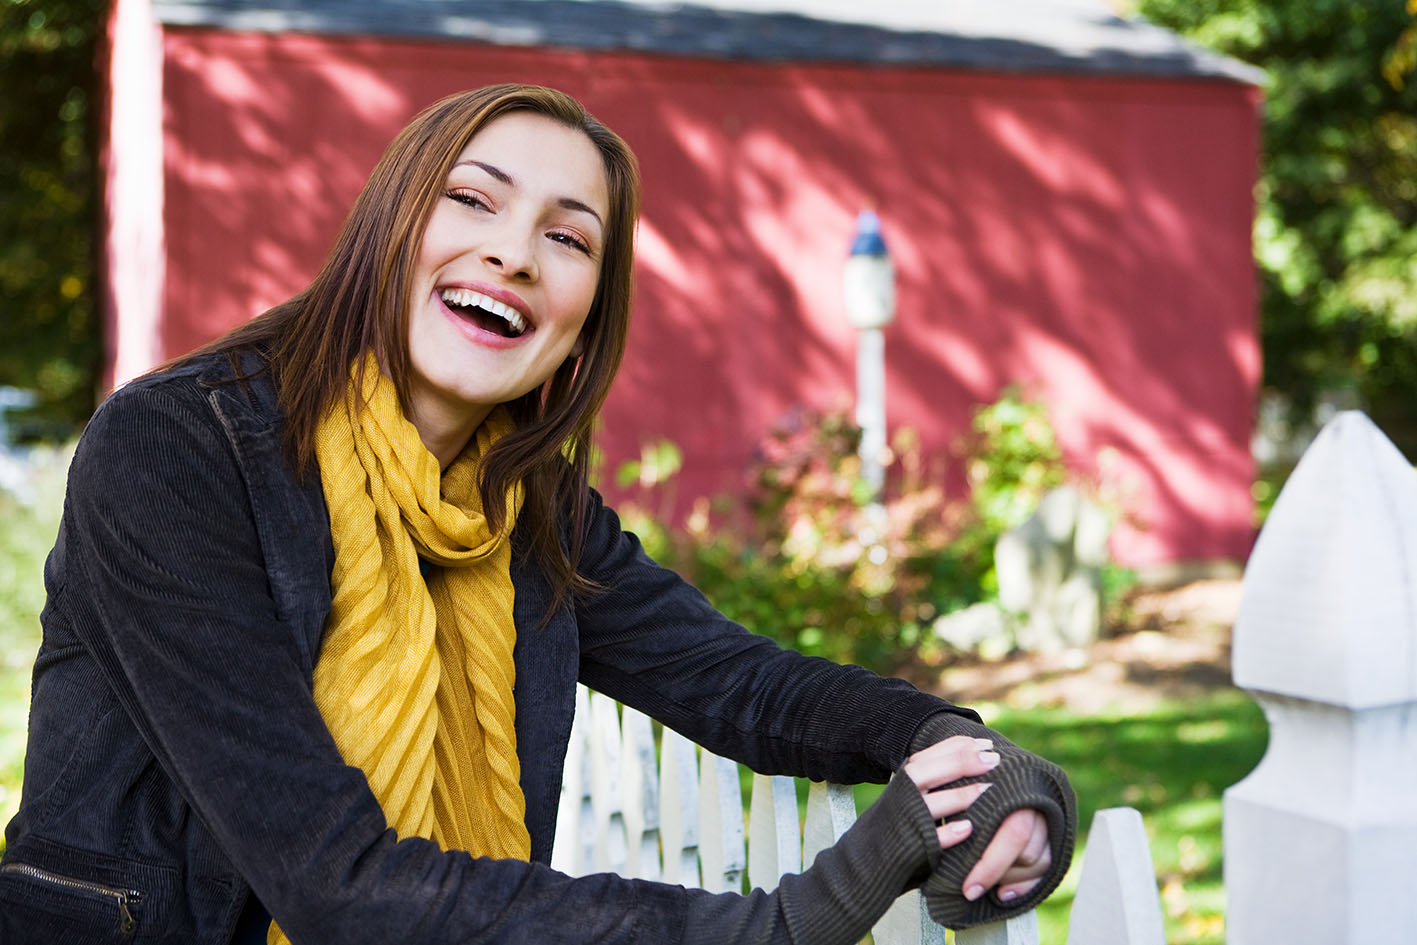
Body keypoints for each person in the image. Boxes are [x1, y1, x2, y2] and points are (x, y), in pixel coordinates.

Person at [0, 84, 1075, 945]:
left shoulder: (527, 505)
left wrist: (960, 751)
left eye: (568, 238)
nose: (512, 252)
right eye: (471, 200)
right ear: (389, 225)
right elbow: (328, 881)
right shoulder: (176, 453)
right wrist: (784, 923)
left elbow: (737, 683)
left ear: (581, 325)